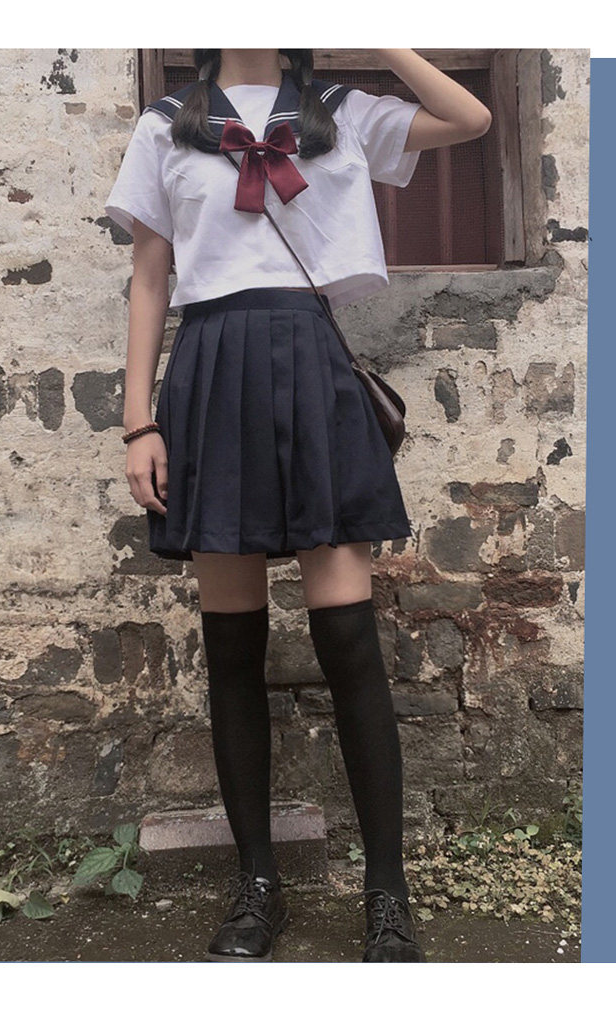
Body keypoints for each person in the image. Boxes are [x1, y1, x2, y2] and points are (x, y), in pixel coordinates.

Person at [105, 48, 492, 963]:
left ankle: (387, 894)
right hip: (211, 372)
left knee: (349, 640)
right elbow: (152, 278)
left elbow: (470, 119)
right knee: (231, 649)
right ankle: (256, 887)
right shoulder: (167, 125)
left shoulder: (340, 111)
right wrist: (137, 422)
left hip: (312, 368)